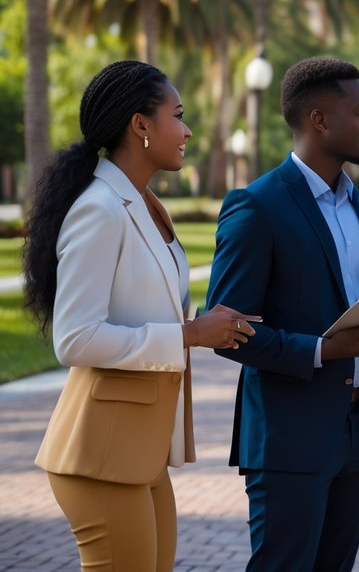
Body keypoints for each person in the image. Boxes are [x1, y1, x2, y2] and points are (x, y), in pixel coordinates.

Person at [25, 60, 257, 572]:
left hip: (138, 451)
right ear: (141, 126)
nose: (188, 129)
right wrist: (186, 335)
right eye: (178, 115)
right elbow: (75, 339)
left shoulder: (144, 204)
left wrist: (200, 323)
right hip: (100, 454)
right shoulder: (100, 208)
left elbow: (144, 304)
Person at [205, 56, 359, 572]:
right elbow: (229, 332)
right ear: (320, 120)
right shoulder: (255, 206)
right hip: (289, 434)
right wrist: (324, 351)